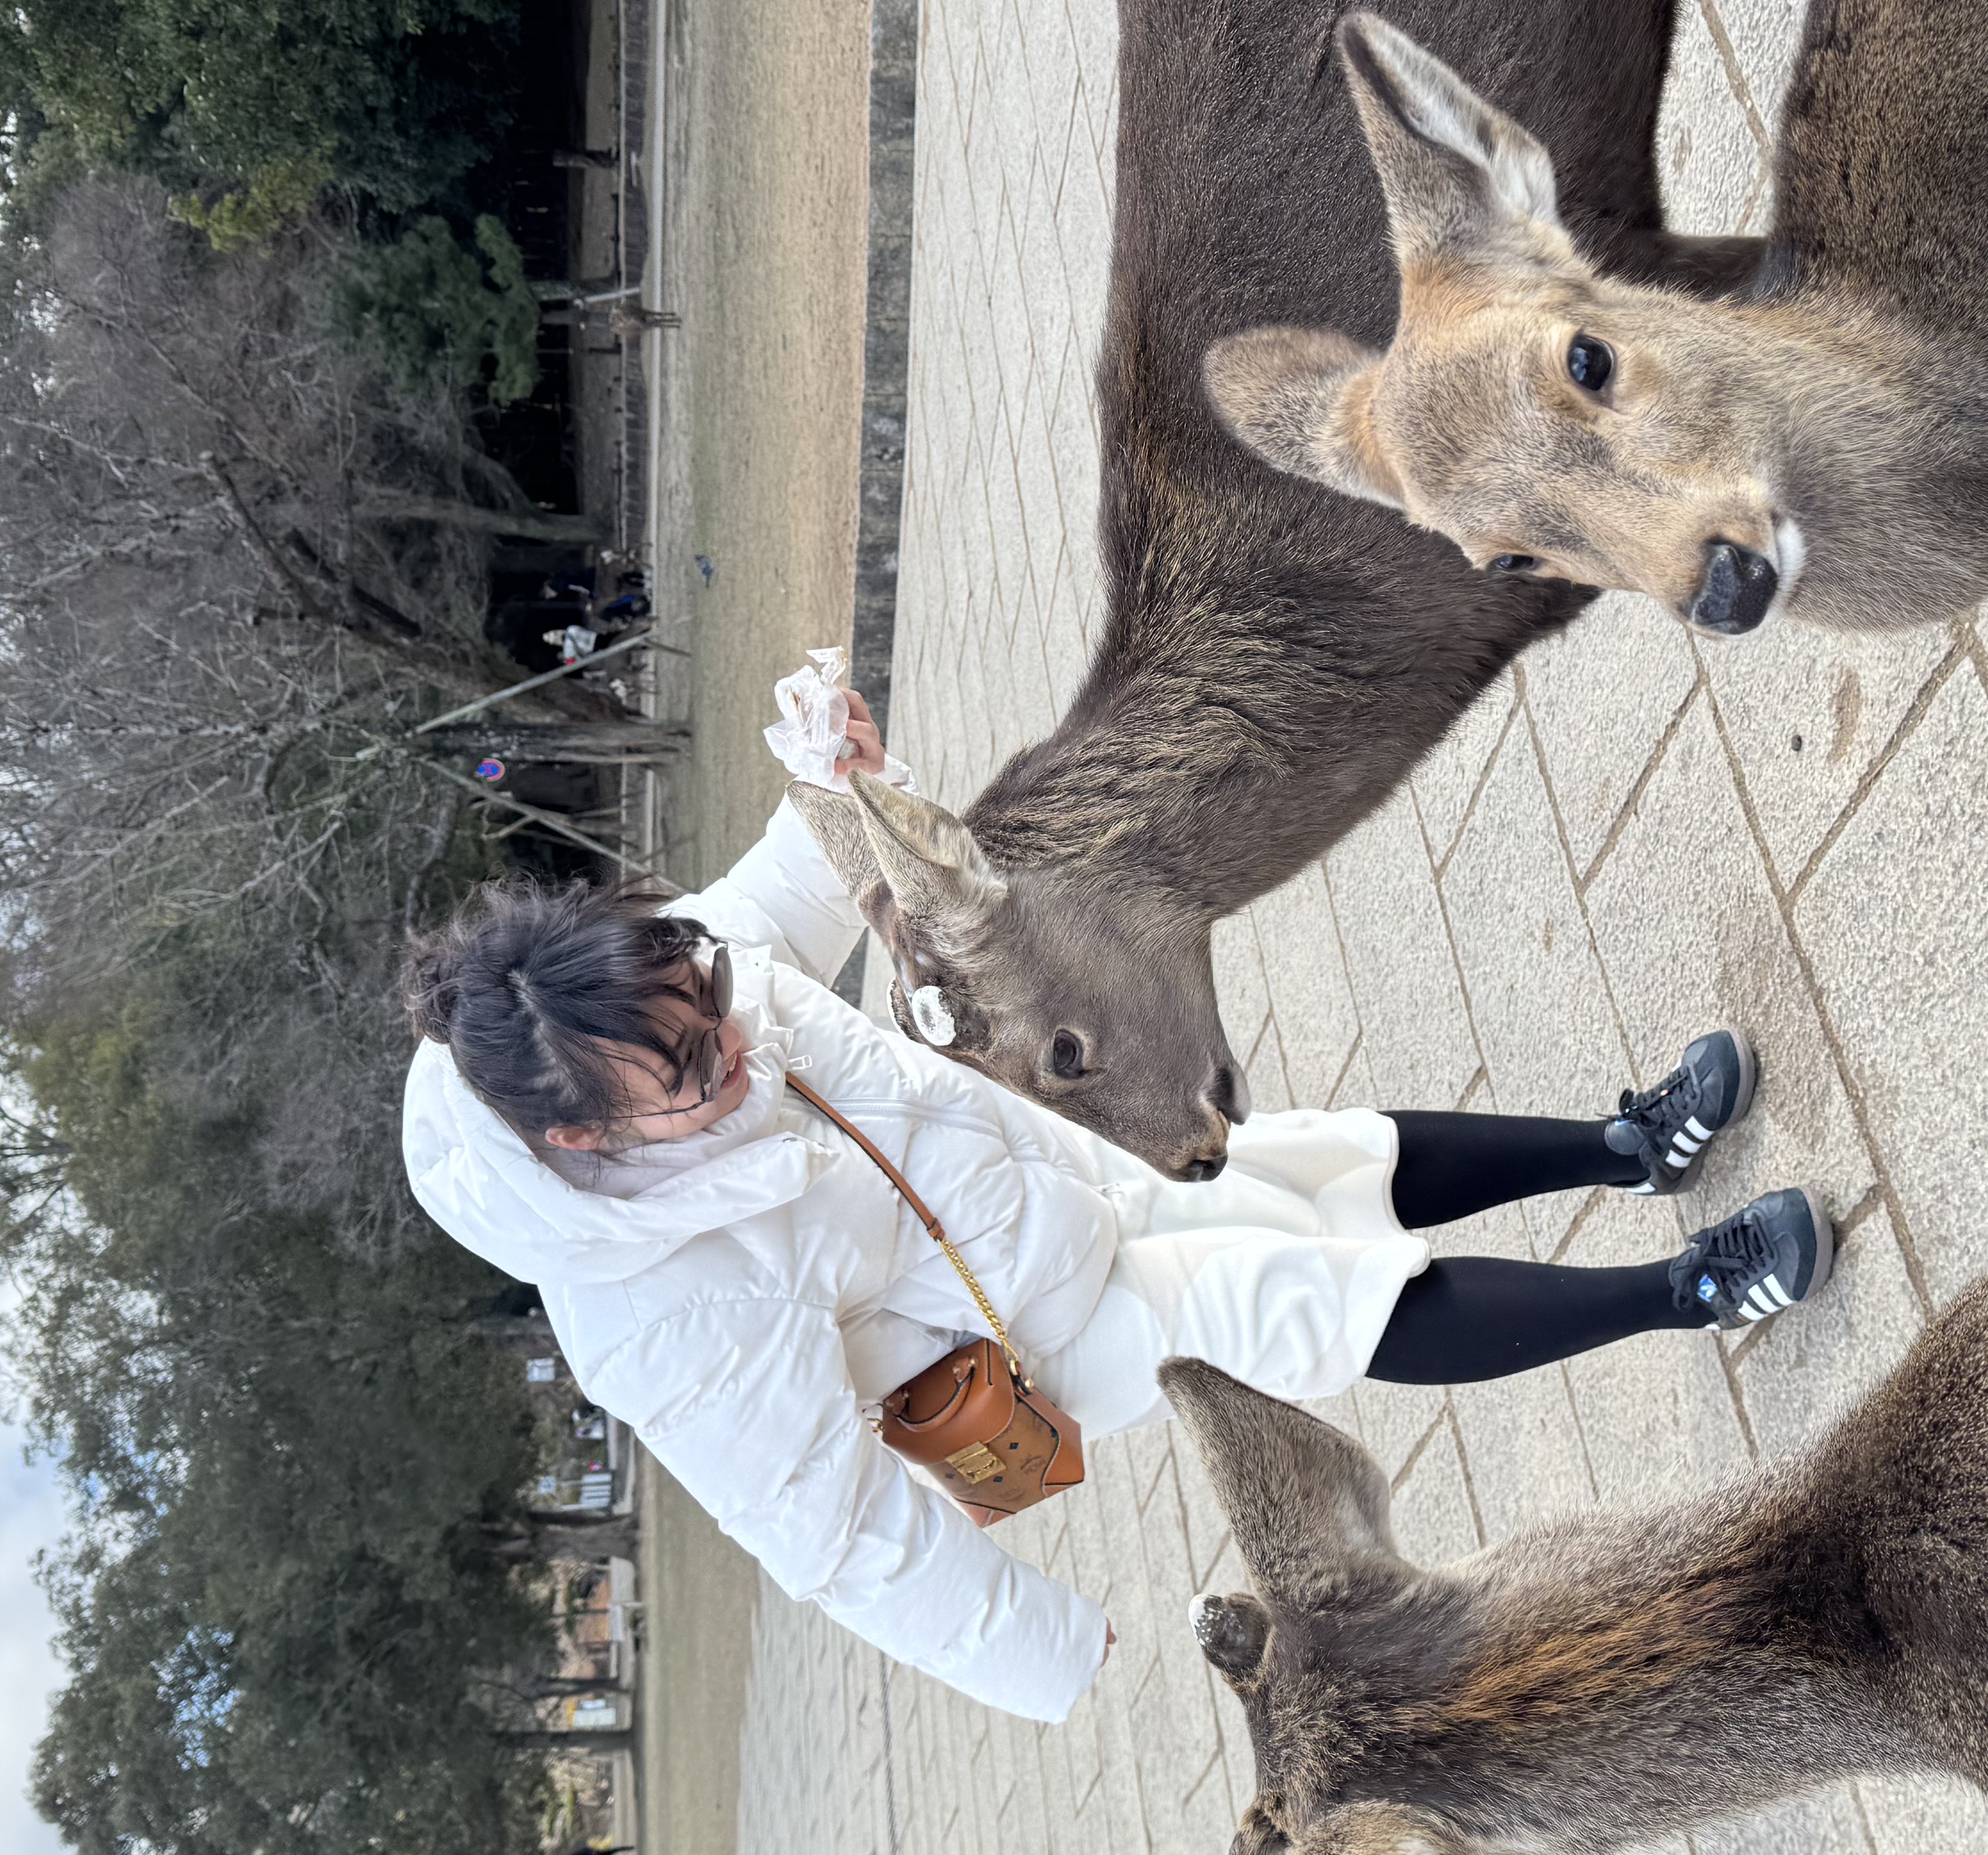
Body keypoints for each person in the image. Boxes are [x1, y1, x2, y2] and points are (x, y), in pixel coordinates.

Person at [400, 690, 1833, 1727]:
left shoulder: (671, 986)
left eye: (711, 1010)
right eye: (693, 1073)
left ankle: (1626, 1148)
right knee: (1322, 1301)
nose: (734, 1054)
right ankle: (1693, 1293)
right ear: (581, 1133)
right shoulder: (654, 1311)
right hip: (1071, 1323)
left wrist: (833, 773)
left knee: (1339, 1160)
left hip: (1058, 1157)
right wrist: (1032, 1646)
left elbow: (788, 899)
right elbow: (829, 1532)